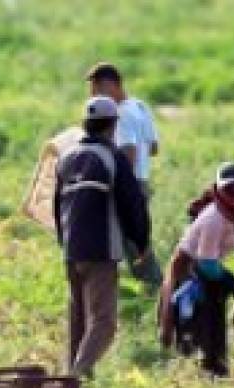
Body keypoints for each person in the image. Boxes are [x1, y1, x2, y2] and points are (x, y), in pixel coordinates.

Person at [54, 97, 150, 378]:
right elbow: (132, 203)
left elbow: (55, 205)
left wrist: (65, 242)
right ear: (112, 126)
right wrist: (141, 242)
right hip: (101, 249)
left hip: (72, 249)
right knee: (104, 322)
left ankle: (75, 383)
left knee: (80, 319)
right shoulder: (113, 157)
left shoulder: (67, 158)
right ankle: (76, 377)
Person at [158, 163, 234, 376]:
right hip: (191, 272)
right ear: (218, 190)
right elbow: (207, 265)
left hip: (208, 270)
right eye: (228, 190)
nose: (233, 195)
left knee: (216, 320)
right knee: (196, 324)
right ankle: (195, 374)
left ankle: (217, 368)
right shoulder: (214, 219)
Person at [87, 62, 162, 288]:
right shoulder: (139, 106)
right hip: (141, 181)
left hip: (129, 184)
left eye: (96, 90)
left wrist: (121, 184)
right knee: (135, 237)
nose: (94, 96)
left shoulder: (120, 114)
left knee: (131, 243)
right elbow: (154, 147)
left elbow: (128, 152)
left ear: (110, 85)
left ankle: (155, 288)